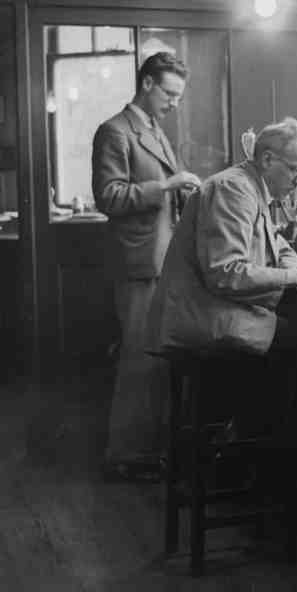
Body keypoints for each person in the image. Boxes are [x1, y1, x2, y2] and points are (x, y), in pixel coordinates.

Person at [93, 51, 202, 481]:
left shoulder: (154, 130)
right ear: (148, 84)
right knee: (138, 359)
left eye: (179, 96)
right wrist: (167, 185)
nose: (175, 103)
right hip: (137, 262)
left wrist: (184, 192)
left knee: (153, 359)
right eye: (169, 93)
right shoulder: (115, 131)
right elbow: (109, 196)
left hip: (161, 259)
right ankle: (125, 457)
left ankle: (148, 451)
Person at [147, 116, 297, 360]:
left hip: (221, 311)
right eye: (294, 169)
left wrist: (294, 270)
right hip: (206, 321)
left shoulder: (253, 188)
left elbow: (280, 246)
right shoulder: (234, 189)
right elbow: (226, 273)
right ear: (267, 160)